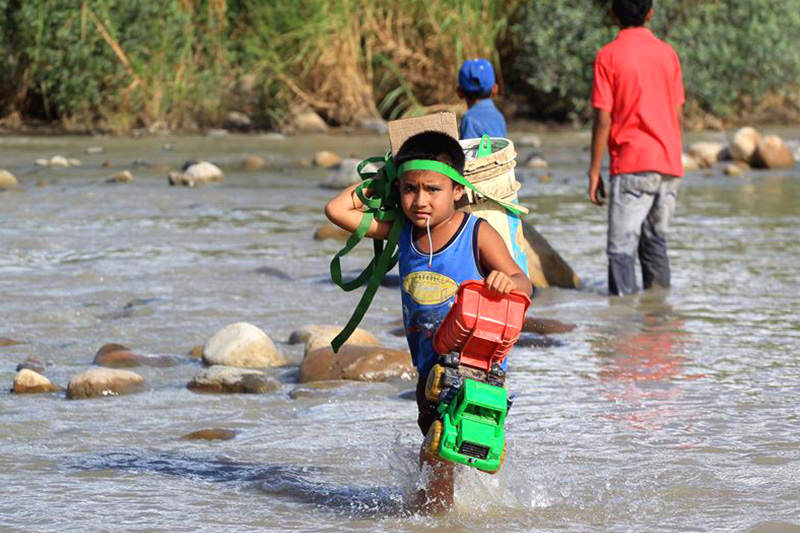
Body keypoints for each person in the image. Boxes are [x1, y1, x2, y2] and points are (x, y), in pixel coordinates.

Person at [325, 130, 531, 512]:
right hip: (429, 371)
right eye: (409, 189)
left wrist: (507, 280)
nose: (420, 200)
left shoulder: (476, 234)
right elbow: (337, 210)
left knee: (437, 455)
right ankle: (456, 515)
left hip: (475, 368)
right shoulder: (404, 233)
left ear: (458, 190)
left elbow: (525, 284)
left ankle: (433, 519)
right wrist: (382, 180)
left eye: (432, 189)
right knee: (445, 453)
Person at [587, 0, 685, 296]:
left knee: (620, 250)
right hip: (668, 165)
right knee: (656, 243)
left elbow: (603, 119)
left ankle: (623, 323)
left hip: (632, 164)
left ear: (613, 14)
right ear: (650, 13)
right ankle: (659, 316)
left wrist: (594, 171)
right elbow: (678, 113)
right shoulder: (668, 54)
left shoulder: (608, 56)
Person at [457, 59, 508, 140]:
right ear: (495, 89)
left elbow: (467, 152)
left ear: (459, 92)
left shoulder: (469, 120)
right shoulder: (499, 117)